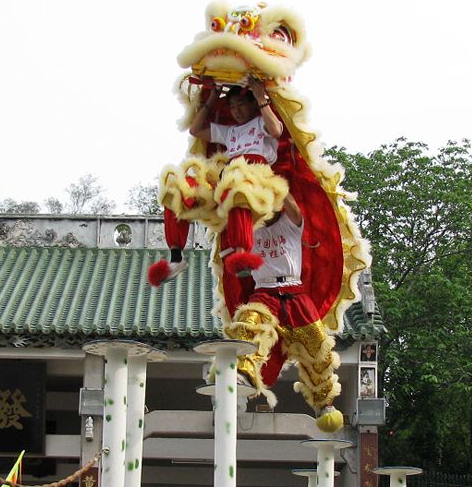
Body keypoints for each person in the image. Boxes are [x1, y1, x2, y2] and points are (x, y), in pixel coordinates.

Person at [148, 77, 288, 286]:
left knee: (237, 187)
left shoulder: (261, 123)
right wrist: (213, 97)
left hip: (257, 180)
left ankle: (242, 254)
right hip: (228, 178)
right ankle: (176, 257)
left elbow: (277, 131)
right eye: (231, 106)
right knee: (178, 186)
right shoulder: (230, 131)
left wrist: (260, 97)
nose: (236, 111)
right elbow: (195, 130)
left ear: (251, 104)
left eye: (241, 104)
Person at [225, 193, 345, 433]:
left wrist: (269, 175)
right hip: (263, 293)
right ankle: (240, 384)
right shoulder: (248, 231)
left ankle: (323, 402)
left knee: (318, 345)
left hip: (295, 291)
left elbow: (290, 202)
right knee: (247, 327)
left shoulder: (290, 222)